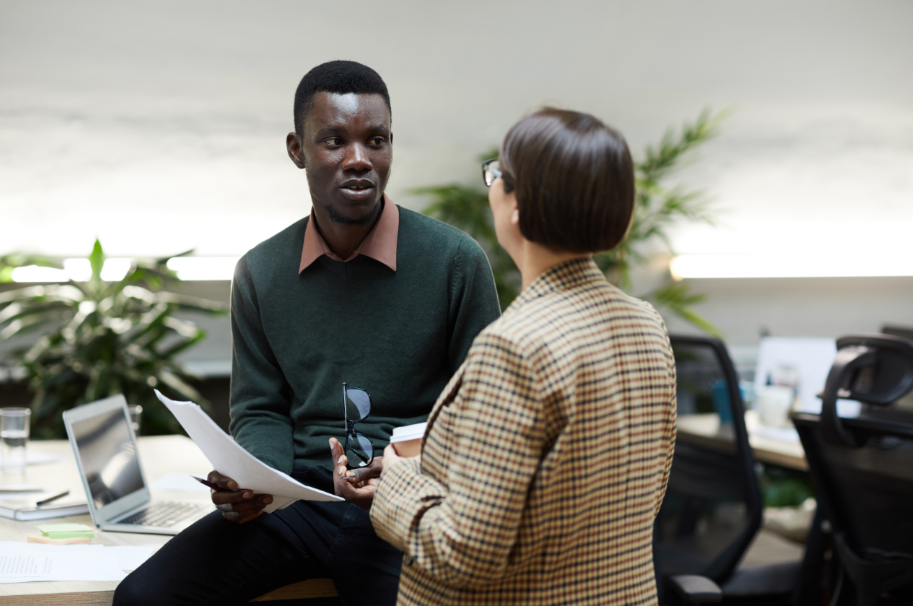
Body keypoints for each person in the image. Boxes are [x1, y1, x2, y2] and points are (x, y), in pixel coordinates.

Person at [114, 61, 500, 605]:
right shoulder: (259, 272)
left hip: (406, 506)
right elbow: (260, 408)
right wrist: (255, 484)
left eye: (377, 140)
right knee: (143, 599)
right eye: (335, 141)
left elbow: (486, 415)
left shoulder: (455, 262)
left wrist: (406, 473)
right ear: (297, 150)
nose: (359, 159)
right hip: (298, 501)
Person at [367, 108, 678, 605]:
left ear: (516, 207)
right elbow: (626, 495)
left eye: (498, 173)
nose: (492, 183)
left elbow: (462, 552)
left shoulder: (514, 347)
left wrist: (399, 483)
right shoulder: (646, 325)